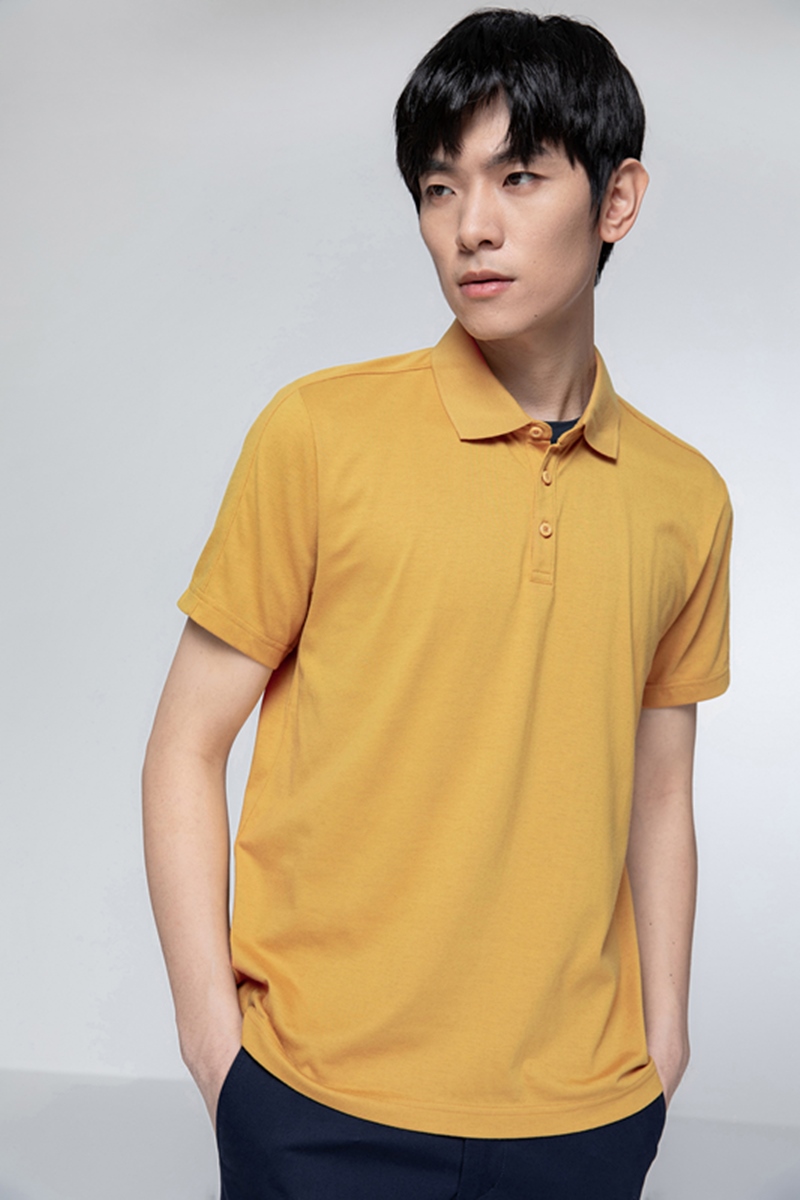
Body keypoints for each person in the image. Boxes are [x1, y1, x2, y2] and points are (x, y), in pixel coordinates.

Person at [143, 10, 732, 1199]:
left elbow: (659, 793)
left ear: (615, 200)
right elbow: (184, 747)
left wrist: (661, 1046)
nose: (470, 226)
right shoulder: (319, 433)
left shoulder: (686, 498)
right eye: (437, 187)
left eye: (518, 177)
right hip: (314, 1103)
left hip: (582, 1117)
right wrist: (218, 1055)